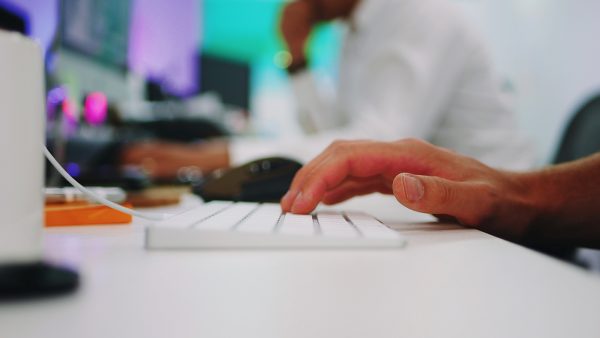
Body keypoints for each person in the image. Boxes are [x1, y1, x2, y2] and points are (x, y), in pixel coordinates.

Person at [121, 0, 534, 180]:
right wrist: (297, 57)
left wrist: (217, 157)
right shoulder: (356, 30)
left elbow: (379, 145)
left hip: (509, 226)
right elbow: (338, 132)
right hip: (447, 206)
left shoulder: (420, 13)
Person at [280, 138, 600, 248]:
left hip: (520, 241)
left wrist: (522, 196)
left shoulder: (419, 16)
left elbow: (381, 124)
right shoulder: (349, 38)